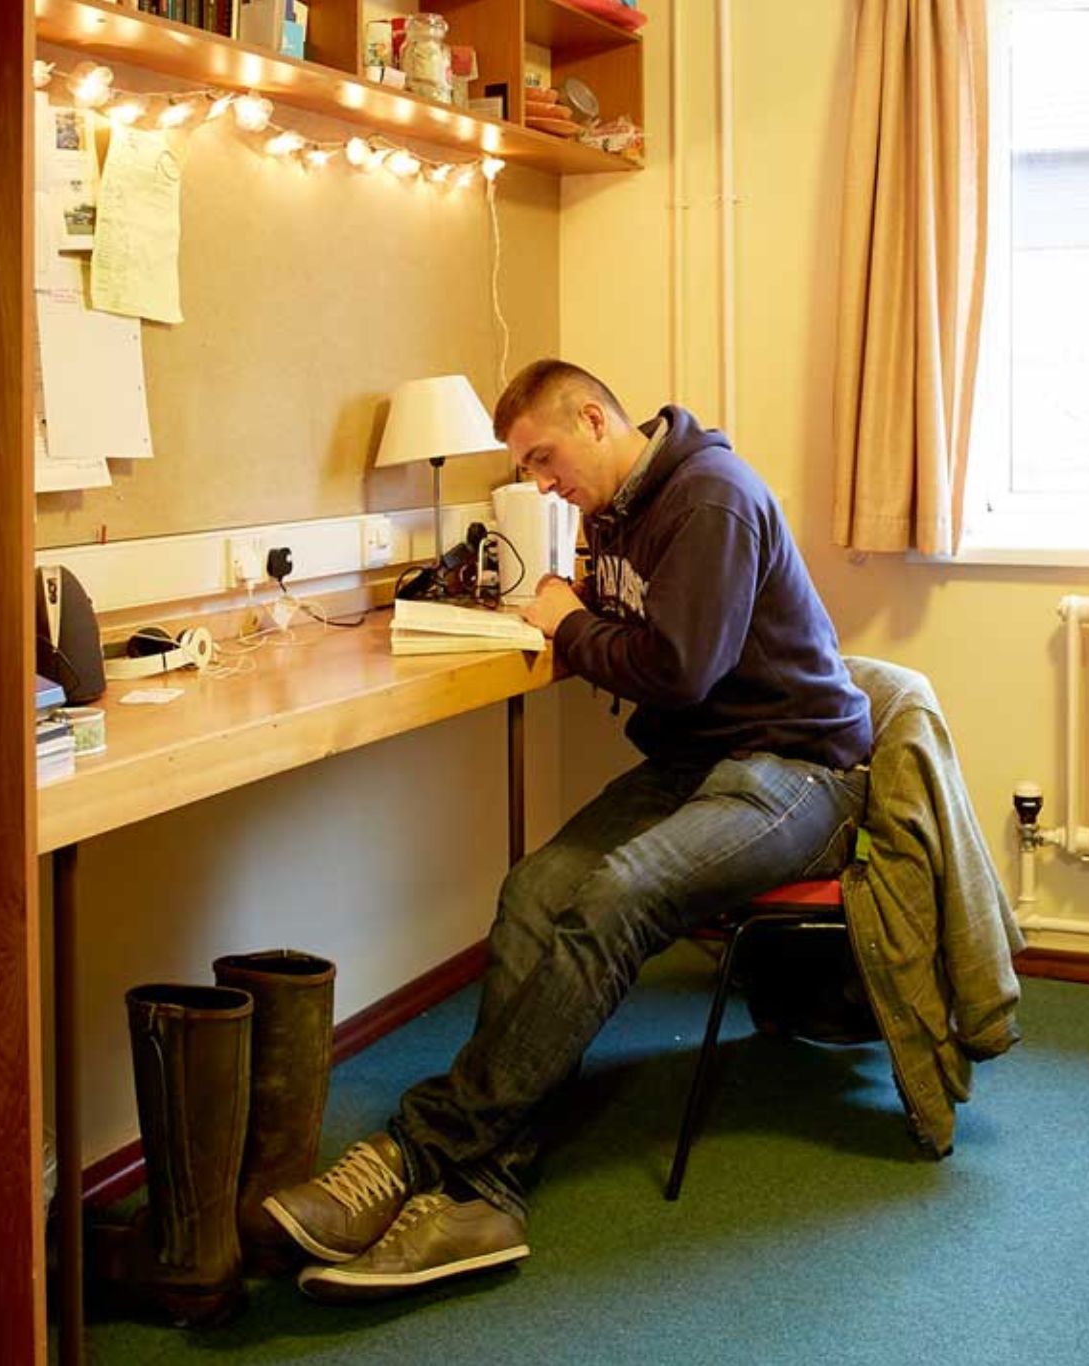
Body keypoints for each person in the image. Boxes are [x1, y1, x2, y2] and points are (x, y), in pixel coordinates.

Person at [270, 360, 873, 1302]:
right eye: (528, 469)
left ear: (595, 419)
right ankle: (488, 1192)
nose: (541, 483)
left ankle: (421, 1148)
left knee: (617, 894)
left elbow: (678, 671)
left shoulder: (709, 498)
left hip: (797, 769)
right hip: (700, 762)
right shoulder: (620, 508)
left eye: (544, 459)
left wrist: (567, 620)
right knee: (535, 891)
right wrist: (574, 608)